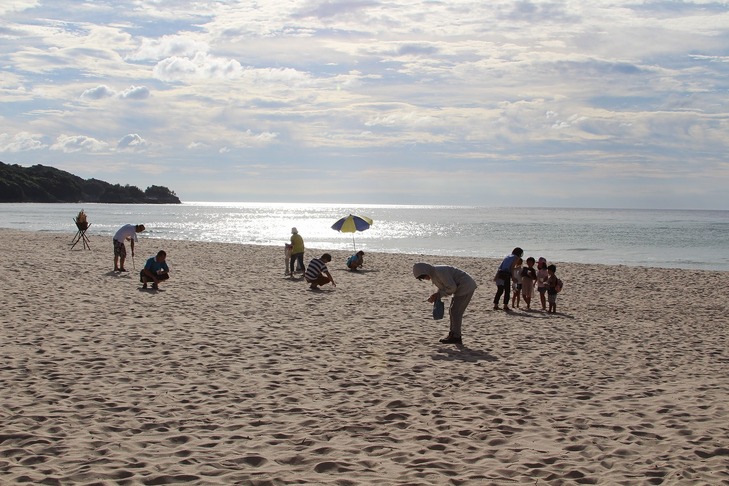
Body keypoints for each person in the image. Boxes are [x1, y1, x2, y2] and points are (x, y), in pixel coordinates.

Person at [413, 262, 477, 345]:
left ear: (425, 271)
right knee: (452, 311)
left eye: (423, 276)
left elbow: (452, 287)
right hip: (461, 288)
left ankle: (456, 336)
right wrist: (436, 295)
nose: (424, 278)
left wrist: (438, 295)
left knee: (456, 312)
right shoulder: (434, 274)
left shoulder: (439, 272)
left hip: (466, 287)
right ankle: (453, 334)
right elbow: (444, 287)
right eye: (421, 278)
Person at [493, 247, 523, 311]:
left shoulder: (508, 256)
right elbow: (511, 268)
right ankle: (505, 306)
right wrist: (513, 277)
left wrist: (496, 276)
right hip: (506, 275)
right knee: (507, 291)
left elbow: (501, 266)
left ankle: (495, 305)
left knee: (500, 290)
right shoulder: (516, 258)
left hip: (500, 274)